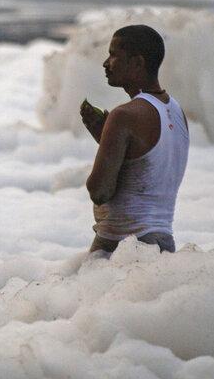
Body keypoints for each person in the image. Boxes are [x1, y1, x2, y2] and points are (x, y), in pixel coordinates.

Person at [81, 24, 189, 254]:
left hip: (122, 249)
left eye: (113, 55)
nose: (105, 63)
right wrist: (106, 139)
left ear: (137, 63)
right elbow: (147, 168)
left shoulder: (123, 116)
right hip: (163, 244)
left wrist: (109, 137)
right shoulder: (177, 111)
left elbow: (100, 191)